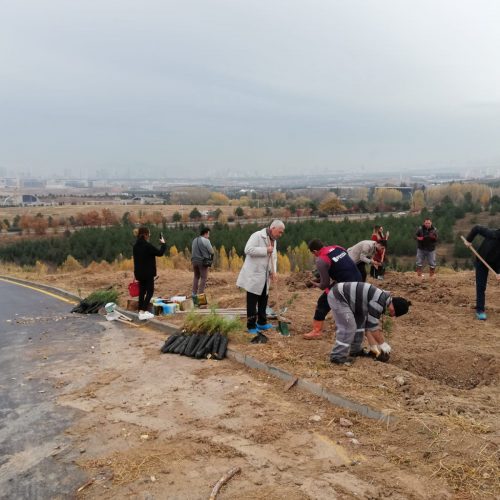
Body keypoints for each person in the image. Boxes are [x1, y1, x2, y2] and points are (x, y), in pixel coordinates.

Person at [327, 282, 411, 365]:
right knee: (348, 327)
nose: (390, 315)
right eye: (393, 314)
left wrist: (373, 347)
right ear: (394, 309)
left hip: (352, 302)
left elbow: (368, 326)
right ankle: (337, 356)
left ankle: (355, 351)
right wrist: (382, 344)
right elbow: (373, 327)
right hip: (339, 296)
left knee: (360, 324)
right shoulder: (379, 302)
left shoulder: (384, 300)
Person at [303, 239, 362, 340]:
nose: (314, 255)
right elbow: (341, 265)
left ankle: (316, 332)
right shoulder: (337, 247)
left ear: (315, 251)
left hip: (345, 284)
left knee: (323, 301)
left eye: (313, 254)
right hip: (358, 278)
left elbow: (324, 285)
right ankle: (357, 326)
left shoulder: (321, 260)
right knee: (350, 303)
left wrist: (316, 284)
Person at [236, 220, 285, 336]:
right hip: (254, 274)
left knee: (264, 298)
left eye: (282, 233)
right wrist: (265, 250)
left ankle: (262, 322)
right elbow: (247, 249)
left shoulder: (274, 241)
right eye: (279, 232)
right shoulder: (257, 236)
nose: (280, 235)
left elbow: (274, 257)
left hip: (265, 275)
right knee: (252, 302)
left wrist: (274, 272)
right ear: (273, 228)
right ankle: (251, 326)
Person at [464, 225, 500, 320]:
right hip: (482, 260)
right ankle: (480, 310)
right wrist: (468, 240)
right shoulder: (492, 233)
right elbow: (476, 228)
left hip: (496, 263)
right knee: (481, 286)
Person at [133, 227, 166, 320]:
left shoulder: (135, 246)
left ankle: (140, 311)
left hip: (139, 273)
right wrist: (163, 244)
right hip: (148, 273)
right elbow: (160, 253)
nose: (150, 236)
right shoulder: (147, 246)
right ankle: (143, 311)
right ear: (145, 234)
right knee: (150, 291)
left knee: (142, 292)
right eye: (149, 234)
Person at [191, 227, 214, 300]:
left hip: (194, 261)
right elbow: (211, 251)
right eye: (208, 234)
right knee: (204, 278)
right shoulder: (206, 240)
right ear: (206, 233)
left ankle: (193, 295)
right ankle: (200, 296)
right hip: (202, 261)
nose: (209, 236)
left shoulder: (194, 240)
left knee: (196, 277)